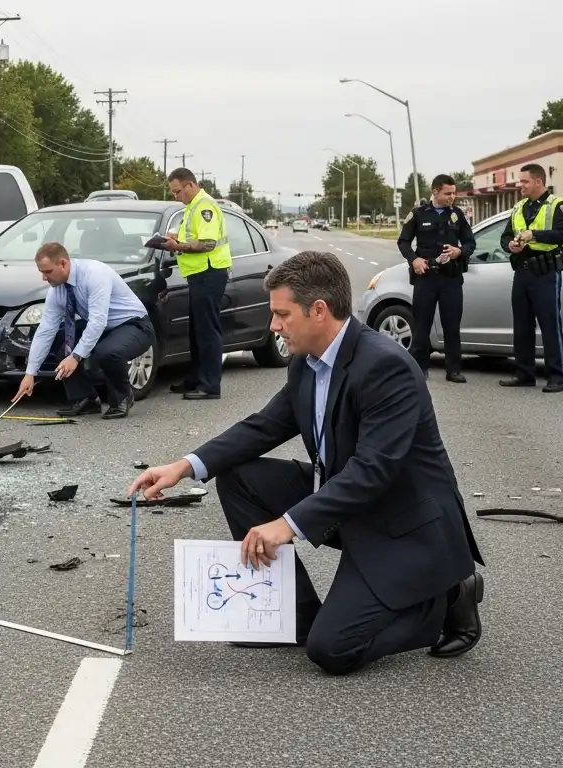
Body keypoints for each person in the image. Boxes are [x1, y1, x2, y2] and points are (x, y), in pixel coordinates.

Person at [127, 250, 486, 676]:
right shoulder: (306, 361)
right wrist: (184, 466)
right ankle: (291, 615)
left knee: (334, 651)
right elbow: (265, 426)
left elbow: (372, 472)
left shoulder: (386, 367)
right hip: (346, 501)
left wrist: (287, 524)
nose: (274, 326)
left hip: (400, 524)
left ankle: (445, 597)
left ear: (318, 311)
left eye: (282, 314)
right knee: (239, 478)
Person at [12, 242, 155, 419]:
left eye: (47, 272)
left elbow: (97, 321)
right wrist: (30, 374)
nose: (44, 278)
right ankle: (86, 399)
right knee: (63, 347)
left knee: (108, 352)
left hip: (135, 325)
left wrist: (76, 357)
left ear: (63, 263)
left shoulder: (95, 274)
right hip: (104, 328)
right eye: (41, 272)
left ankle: (122, 397)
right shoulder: (57, 290)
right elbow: (46, 330)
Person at [498, 163, 563, 393]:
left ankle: (556, 376)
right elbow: (505, 235)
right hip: (522, 272)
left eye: (524, 182)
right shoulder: (519, 207)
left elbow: (562, 235)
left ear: (538, 181)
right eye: (520, 182)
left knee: (550, 325)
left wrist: (534, 234)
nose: (520, 186)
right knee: (522, 325)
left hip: (545, 272)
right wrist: (510, 245)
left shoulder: (558, 206)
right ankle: (524, 373)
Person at [397, 174, 476, 383]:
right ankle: (420, 368)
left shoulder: (457, 215)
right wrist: (414, 260)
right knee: (421, 325)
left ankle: (454, 370)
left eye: (454, 193)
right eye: (447, 193)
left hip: (451, 278)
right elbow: (403, 242)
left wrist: (459, 251)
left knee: (452, 325)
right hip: (426, 278)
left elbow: (470, 242)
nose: (452, 197)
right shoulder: (418, 214)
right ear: (435, 192)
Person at [163, 168, 230, 401]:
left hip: (209, 271)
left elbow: (208, 243)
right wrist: (177, 241)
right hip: (199, 274)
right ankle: (195, 379)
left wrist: (177, 247)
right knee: (196, 330)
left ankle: (210, 385)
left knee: (207, 330)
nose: (175, 197)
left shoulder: (204, 206)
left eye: (177, 191)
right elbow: (193, 239)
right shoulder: (192, 207)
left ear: (190, 185)